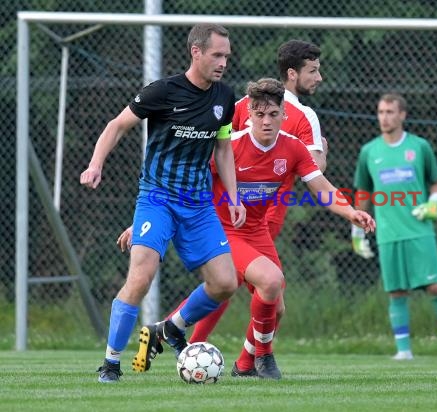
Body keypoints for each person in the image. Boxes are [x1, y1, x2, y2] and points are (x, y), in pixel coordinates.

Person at [120, 78, 375, 379]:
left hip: (256, 231)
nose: (266, 121)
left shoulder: (292, 148)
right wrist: (142, 221)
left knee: (276, 307)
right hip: (221, 230)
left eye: (273, 114)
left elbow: (321, 187)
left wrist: (350, 212)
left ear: (283, 114)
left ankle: (210, 350)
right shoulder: (230, 147)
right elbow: (183, 184)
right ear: (249, 114)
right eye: (259, 114)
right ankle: (263, 359)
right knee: (270, 280)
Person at [80, 23, 246, 383]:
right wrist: (96, 164)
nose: (223, 63)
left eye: (227, 57)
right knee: (141, 277)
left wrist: (233, 196)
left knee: (225, 283)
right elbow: (116, 125)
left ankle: (172, 327)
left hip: (199, 205)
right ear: (196, 52)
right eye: (217, 55)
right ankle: (110, 363)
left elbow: (222, 149)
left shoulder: (224, 98)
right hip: (157, 197)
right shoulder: (163, 91)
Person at [184, 39, 328, 345]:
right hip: (248, 216)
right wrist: (320, 152)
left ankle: (184, 340)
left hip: (250, 217)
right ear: (292, 73)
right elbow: (314, 167)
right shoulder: (302, 115)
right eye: (313, 71)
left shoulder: (243, 106)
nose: (319, 78)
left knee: (244, 292)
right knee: (237, 286)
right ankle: (183, 339)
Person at [352, 92, 437, 362]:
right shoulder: (369, 151)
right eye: (380, 112)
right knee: (396, 292)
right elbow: (363, 192)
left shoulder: (420, 147)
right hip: (388, 234)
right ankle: (404, 350)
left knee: (435, 287)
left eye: (390, 112)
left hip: (419, 230)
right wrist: (357, 230)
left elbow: (436, 182)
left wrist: (434, 203)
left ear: (402, 115)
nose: (384, 117)